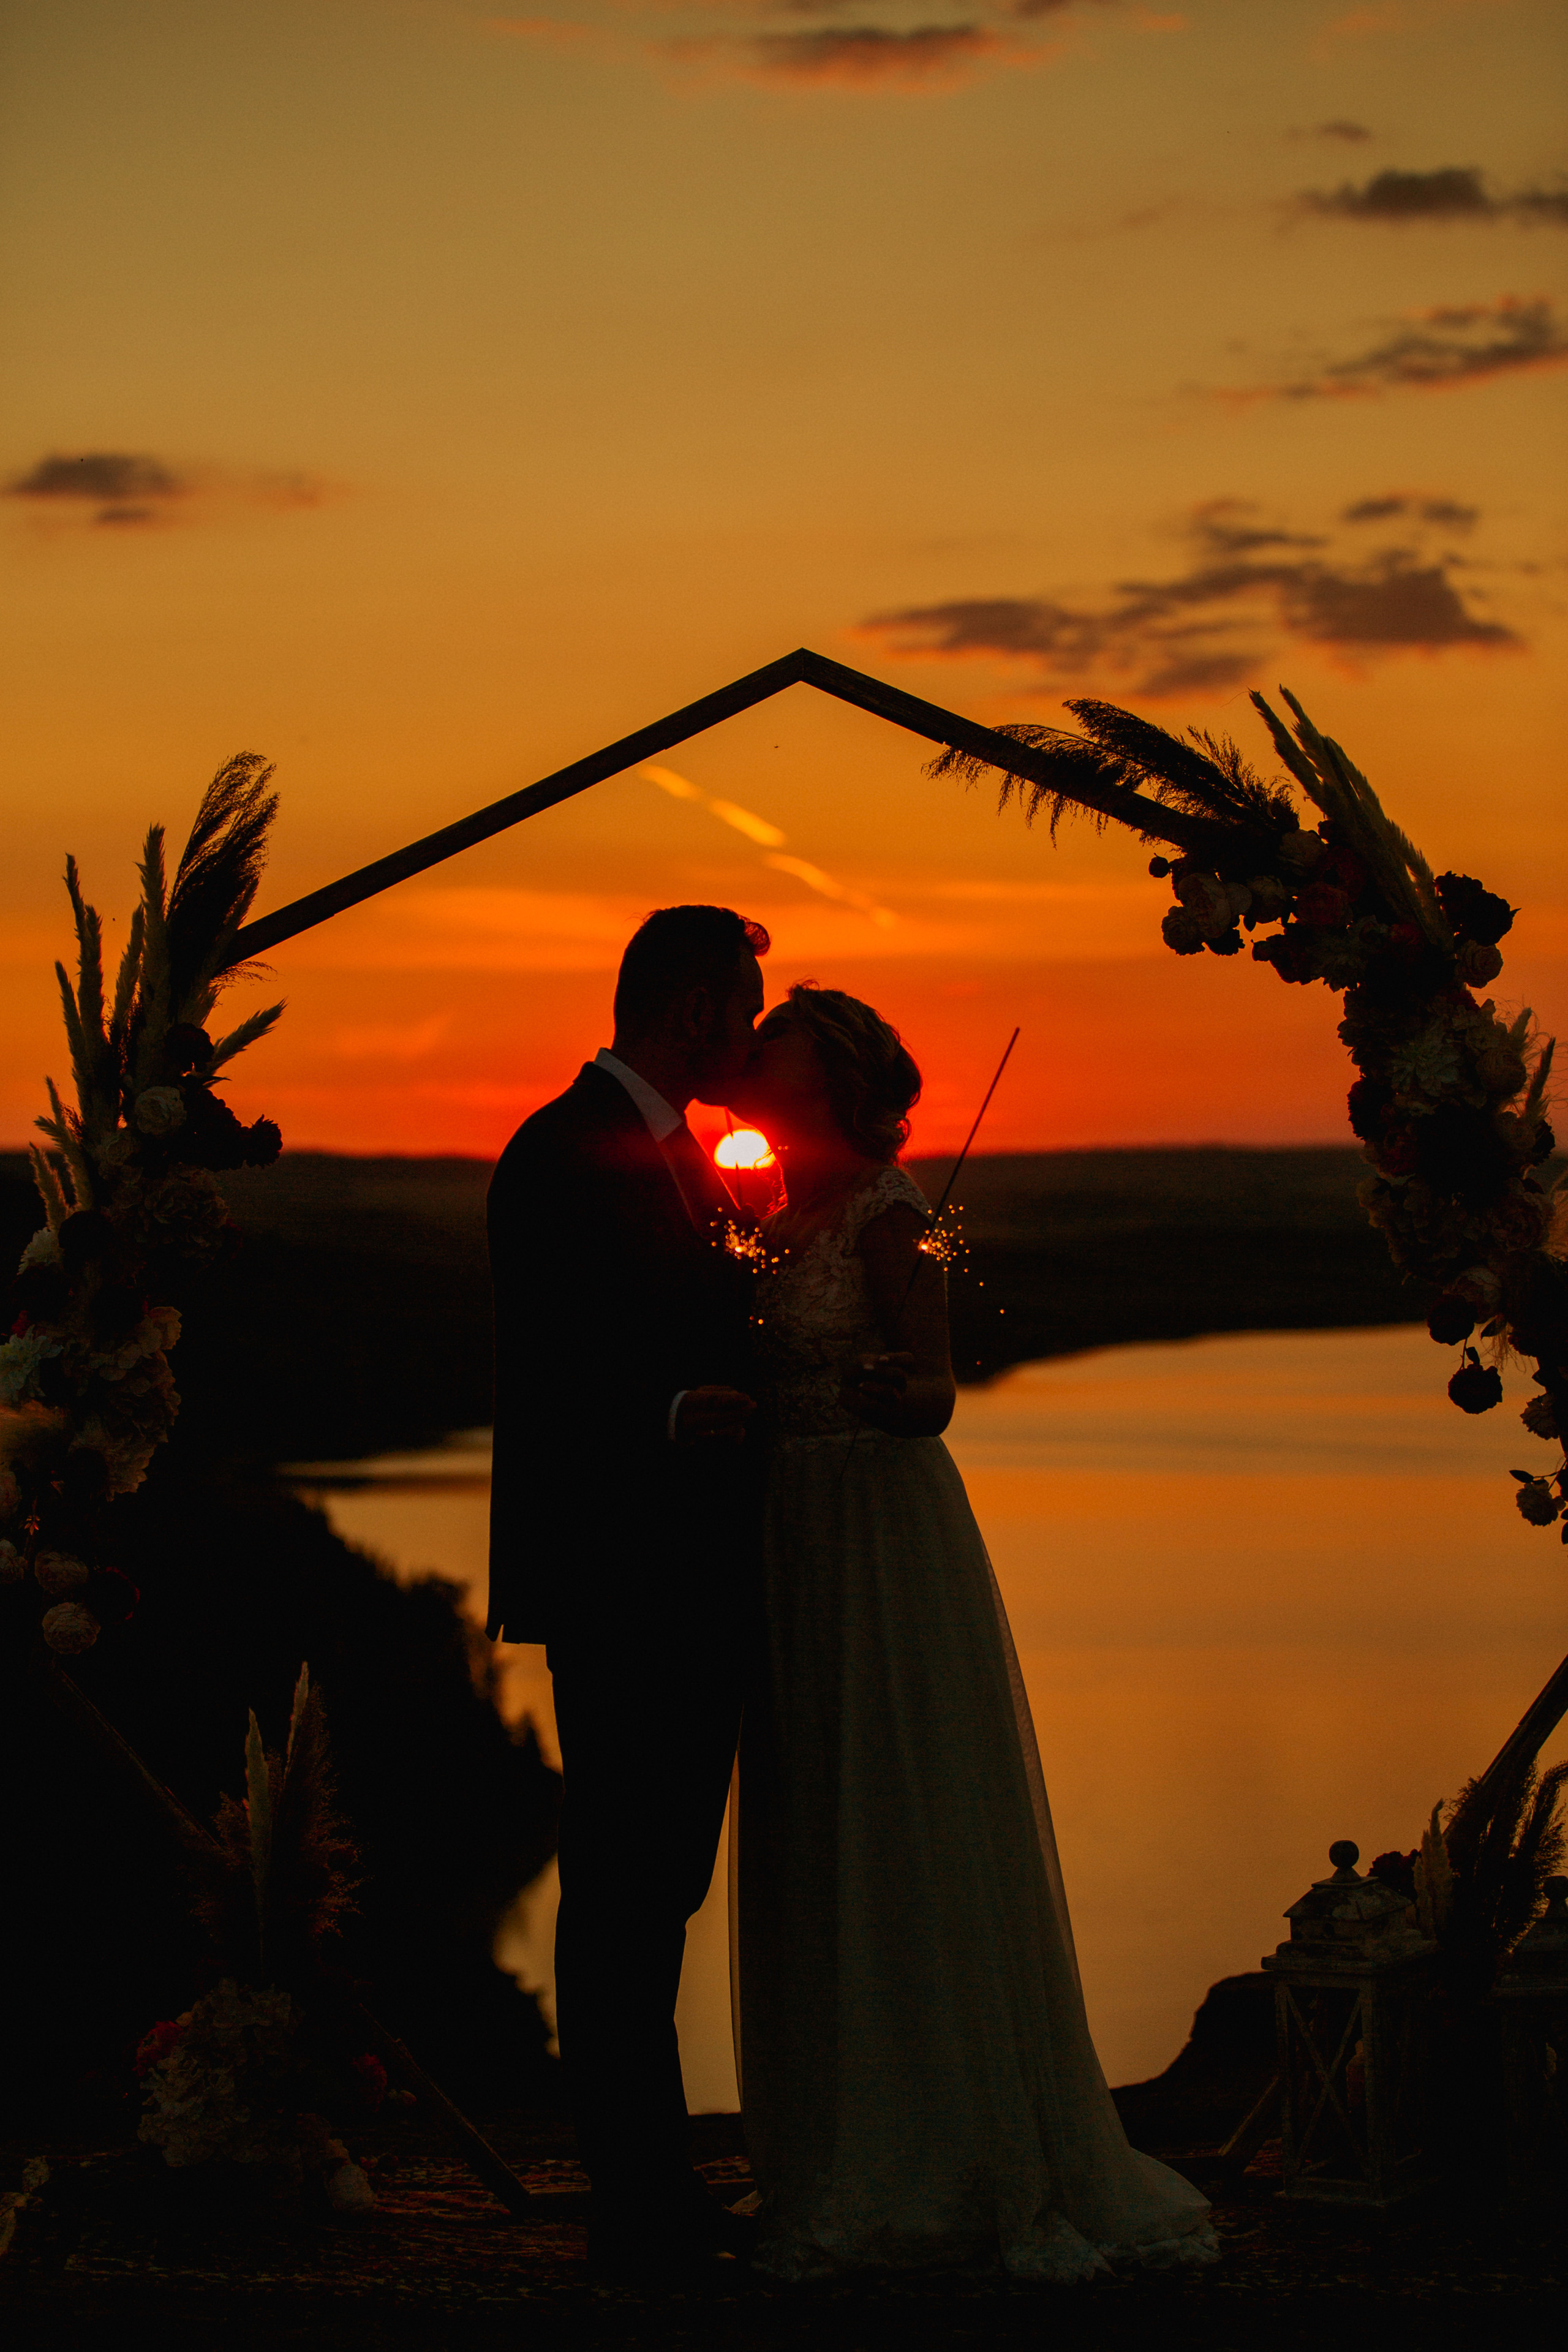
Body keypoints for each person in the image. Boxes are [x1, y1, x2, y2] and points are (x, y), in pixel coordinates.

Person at [726, 983, 1218, 2282]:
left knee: (896, 1819)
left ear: (824, 1079)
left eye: (768, 1047)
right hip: (786, 1540)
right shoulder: (773, 1212)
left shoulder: (890, 1217)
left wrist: (902, 1393)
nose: (749, 1060)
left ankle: (939, 2153)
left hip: (877, 1537)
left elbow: (935, 1382)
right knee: (813, 1827)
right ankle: (834, 2138)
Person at [486, 905, 769, 2285]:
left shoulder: (678, 1156)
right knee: (619, 1889)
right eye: (746, 1006)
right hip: (620, 1581)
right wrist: (668, 1412)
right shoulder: (560, 1151)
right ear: (693, 1007)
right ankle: (634, 2195)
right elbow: (545, 1366)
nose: (756, 1032)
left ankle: (650, 2181)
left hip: (677, 1581)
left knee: (652, 1886)